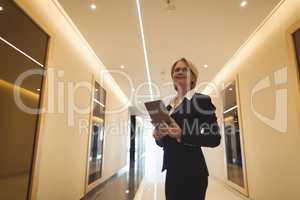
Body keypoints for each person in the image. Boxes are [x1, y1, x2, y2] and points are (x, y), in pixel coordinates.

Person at [152, 57, 221, 200]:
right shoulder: (167, 106)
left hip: (193, 173)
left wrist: (182, 135)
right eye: (177, 69)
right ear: (172, 76)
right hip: (171, 171)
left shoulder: (201, 100)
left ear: (193, 77)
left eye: (185, 69)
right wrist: (158, 137)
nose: (180, 71)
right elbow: (164, 143)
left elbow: (214, 139)